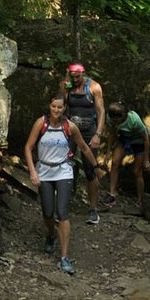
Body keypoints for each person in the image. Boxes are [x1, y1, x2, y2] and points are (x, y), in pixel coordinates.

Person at [24, 92, 104, 275]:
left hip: (63, 171)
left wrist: (96, 167)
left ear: (64, 108)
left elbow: (84, 147)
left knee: (62, 212)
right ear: (49, 106)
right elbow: (28, 147)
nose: (57, 110)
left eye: (60, 107)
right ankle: (51, 234)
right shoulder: (41, 123)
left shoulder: (70, 127)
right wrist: (32, 171)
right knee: (47, 212)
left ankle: (64, 257)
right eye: (54, 106)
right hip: (43, 171)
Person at [60, 61, 106, 226]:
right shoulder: (68, 85)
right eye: (73, 77)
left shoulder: (94, 87)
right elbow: (61, 106)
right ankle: (62, 205)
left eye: (78, 77)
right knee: (64, 165)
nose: (76, 80)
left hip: (89, 131)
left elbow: (101, 111)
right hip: (71, 130)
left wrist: (98, 135)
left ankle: (93, 209)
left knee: (90, 169)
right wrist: (65, 88)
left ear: (83, 74)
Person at [102, 101, 150, 211]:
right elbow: (112, 133)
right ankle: (112, 195)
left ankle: (139, 199)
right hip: (124, 140)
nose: (116, 120)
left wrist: (146, 160)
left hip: (138, 142)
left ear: (124, 114)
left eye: (118, 117)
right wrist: (108, 152)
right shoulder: (110, 118)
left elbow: (146, 139)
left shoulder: (134, 120)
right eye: (113, 118)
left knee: (137, 171)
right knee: (114, 163)